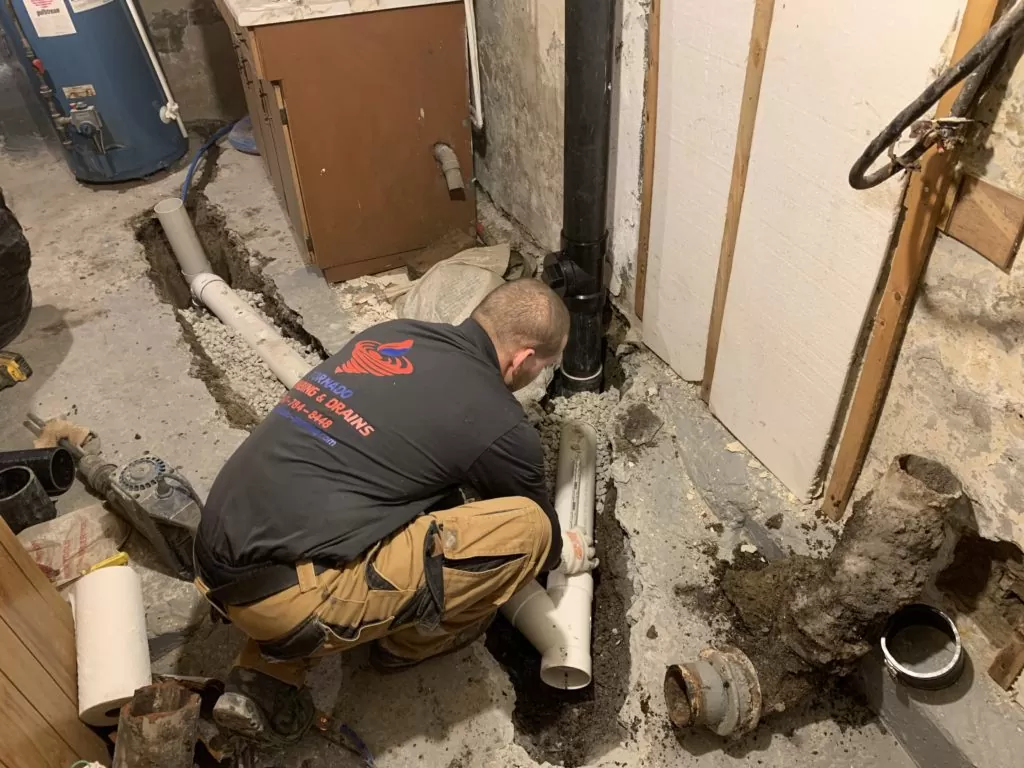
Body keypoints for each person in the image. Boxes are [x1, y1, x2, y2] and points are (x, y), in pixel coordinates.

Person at [194, 278, 598, 743]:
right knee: (527, 531)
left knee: (413, 488)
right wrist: (564, 550)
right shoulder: (500, 424)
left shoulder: (392, 335)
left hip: (212, 555)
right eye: (544, 368)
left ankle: (266, 671)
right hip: (286, 600)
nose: (538, 377)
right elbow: (543, 533)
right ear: (523, 360)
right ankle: (405, 645)